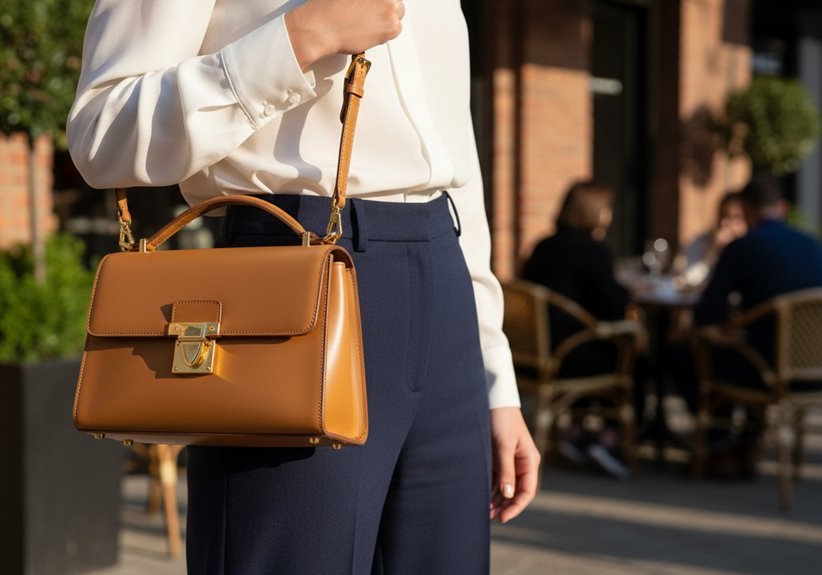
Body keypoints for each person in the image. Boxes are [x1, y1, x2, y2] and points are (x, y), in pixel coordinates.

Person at [67, 1, 539, 573]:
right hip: (293, 280)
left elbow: (455, 164)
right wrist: (298, 40)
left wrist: (495, 378)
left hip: (443, 284)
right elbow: (101, 133)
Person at [690, 174, 822, 477]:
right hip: (813, 371)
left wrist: (732, 323)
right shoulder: (812, 244)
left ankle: (718, 445)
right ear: (783, 207)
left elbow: (706, 315)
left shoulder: (743, 246)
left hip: (765, 372)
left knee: (689, 355)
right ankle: (746, 443)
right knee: (754, 347)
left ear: (746, 209)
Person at [520, 181, 633, 478]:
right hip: (571, 356)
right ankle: (608, 439)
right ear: (597, 213)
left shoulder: (542, 247)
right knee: (630, 353)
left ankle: (574, 432)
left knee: (595, 341)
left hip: (533, 355)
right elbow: (613, 307)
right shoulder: (594, 251)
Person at [676, 191, 747, 288]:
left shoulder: (751, 248)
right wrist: (714, 251)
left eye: (735, 217)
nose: (724, 223)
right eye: (723, 216)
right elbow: (687, 282)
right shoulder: (701, 242)